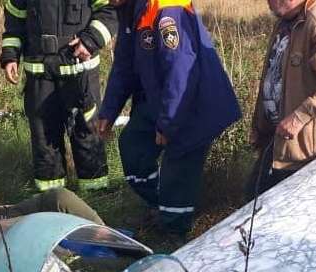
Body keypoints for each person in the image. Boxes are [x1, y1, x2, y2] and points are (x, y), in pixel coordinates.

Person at [97, 0, 240, 238]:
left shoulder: (167, 9)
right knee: (133, 147)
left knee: (178, 171)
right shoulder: (129, 11)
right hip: (161, 101)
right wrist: (109, 112)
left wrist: (168, 124)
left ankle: (175, 234)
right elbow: (124, 65)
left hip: (193, 105)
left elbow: (181, 72)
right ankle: (160, 206)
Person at [0, 0, 117, 192]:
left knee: (86, 132)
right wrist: (10, 55)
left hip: (80, 72)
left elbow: (109, 11)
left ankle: (96, 193)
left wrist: (90, 41)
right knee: (44, 136)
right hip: (40, 73)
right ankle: (51, 197)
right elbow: (15, 19)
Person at [247, 0, 316, 198]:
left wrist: (300, 116)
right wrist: (261, 129)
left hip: (306, 154)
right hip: (278, 143)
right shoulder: (285, 22)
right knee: (252, 205)